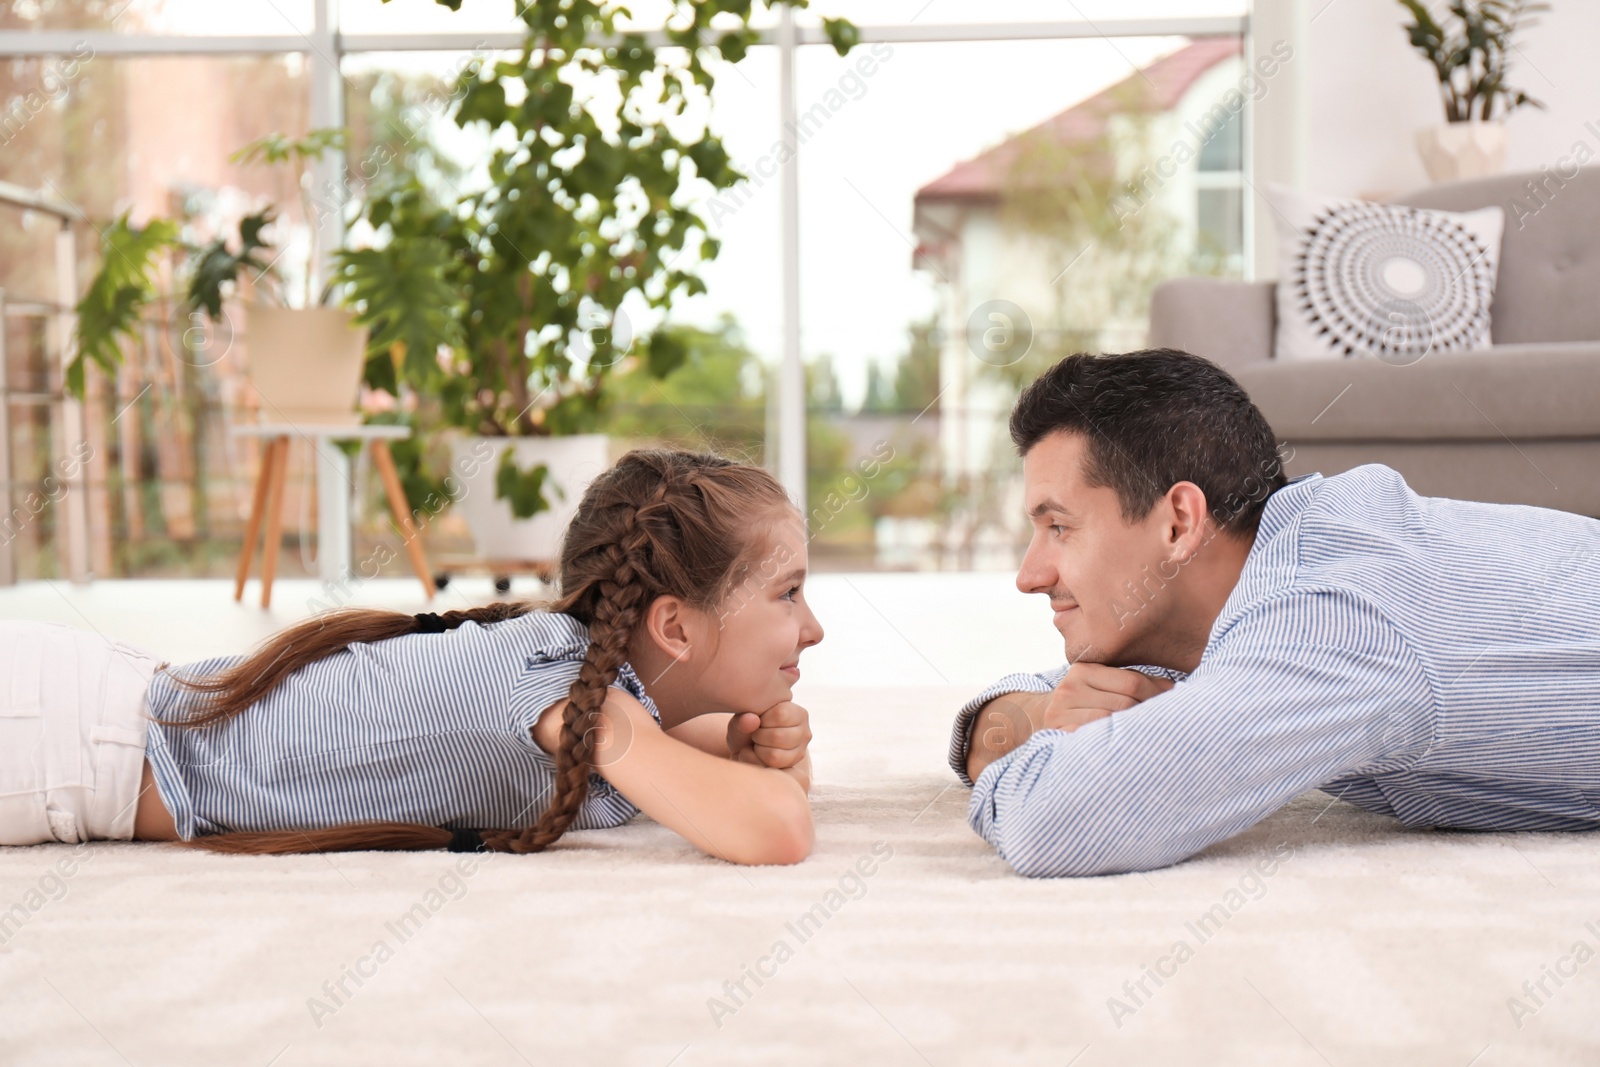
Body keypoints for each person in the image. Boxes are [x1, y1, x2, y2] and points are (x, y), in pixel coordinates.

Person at [951, 348, 1600, 877]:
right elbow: (1003, 712)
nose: (1029, 576)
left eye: (1059, 527)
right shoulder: (1248, 584)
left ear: (1179, 521)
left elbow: (1056, 822)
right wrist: (1043, 717)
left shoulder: (1326, 618)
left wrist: (1064, 740)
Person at [0, 449, 823, 865]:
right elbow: (777, 830)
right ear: (674, 628)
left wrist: (750, 748)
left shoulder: (591, 690)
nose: (813, 628)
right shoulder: (572, 700)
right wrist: (760, 771)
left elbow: (709, 771)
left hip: (83, 713)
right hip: (62, 737)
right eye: (788, 594)